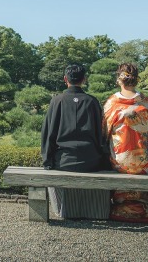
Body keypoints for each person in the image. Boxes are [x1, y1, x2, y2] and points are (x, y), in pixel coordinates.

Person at [103, 62, 148, 223]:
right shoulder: (147, 103)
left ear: (119, 80)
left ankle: (122, 208)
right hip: (146, 159)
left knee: (116, 160)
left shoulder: (111, 104)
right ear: (136, 80)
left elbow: (104, 133)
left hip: (122, 160)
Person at [40, 63, 109, 219]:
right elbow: (101, 135)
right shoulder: (92, 101)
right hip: (91, 161)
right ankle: (93, 211)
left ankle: (62, 210)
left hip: (63, 161)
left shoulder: (57, 101)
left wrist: (47, 160)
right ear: (84, 79)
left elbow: (48, 134)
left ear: (65, 79)